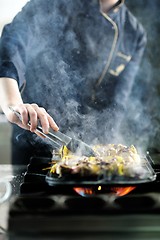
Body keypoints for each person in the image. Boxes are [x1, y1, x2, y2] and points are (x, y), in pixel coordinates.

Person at [0, 0, 147, 164]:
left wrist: (106, 158)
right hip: (34, 135)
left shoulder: (134, 33)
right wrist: (12, 102)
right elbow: (13, 41)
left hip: (86, 151)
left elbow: (118, 103)